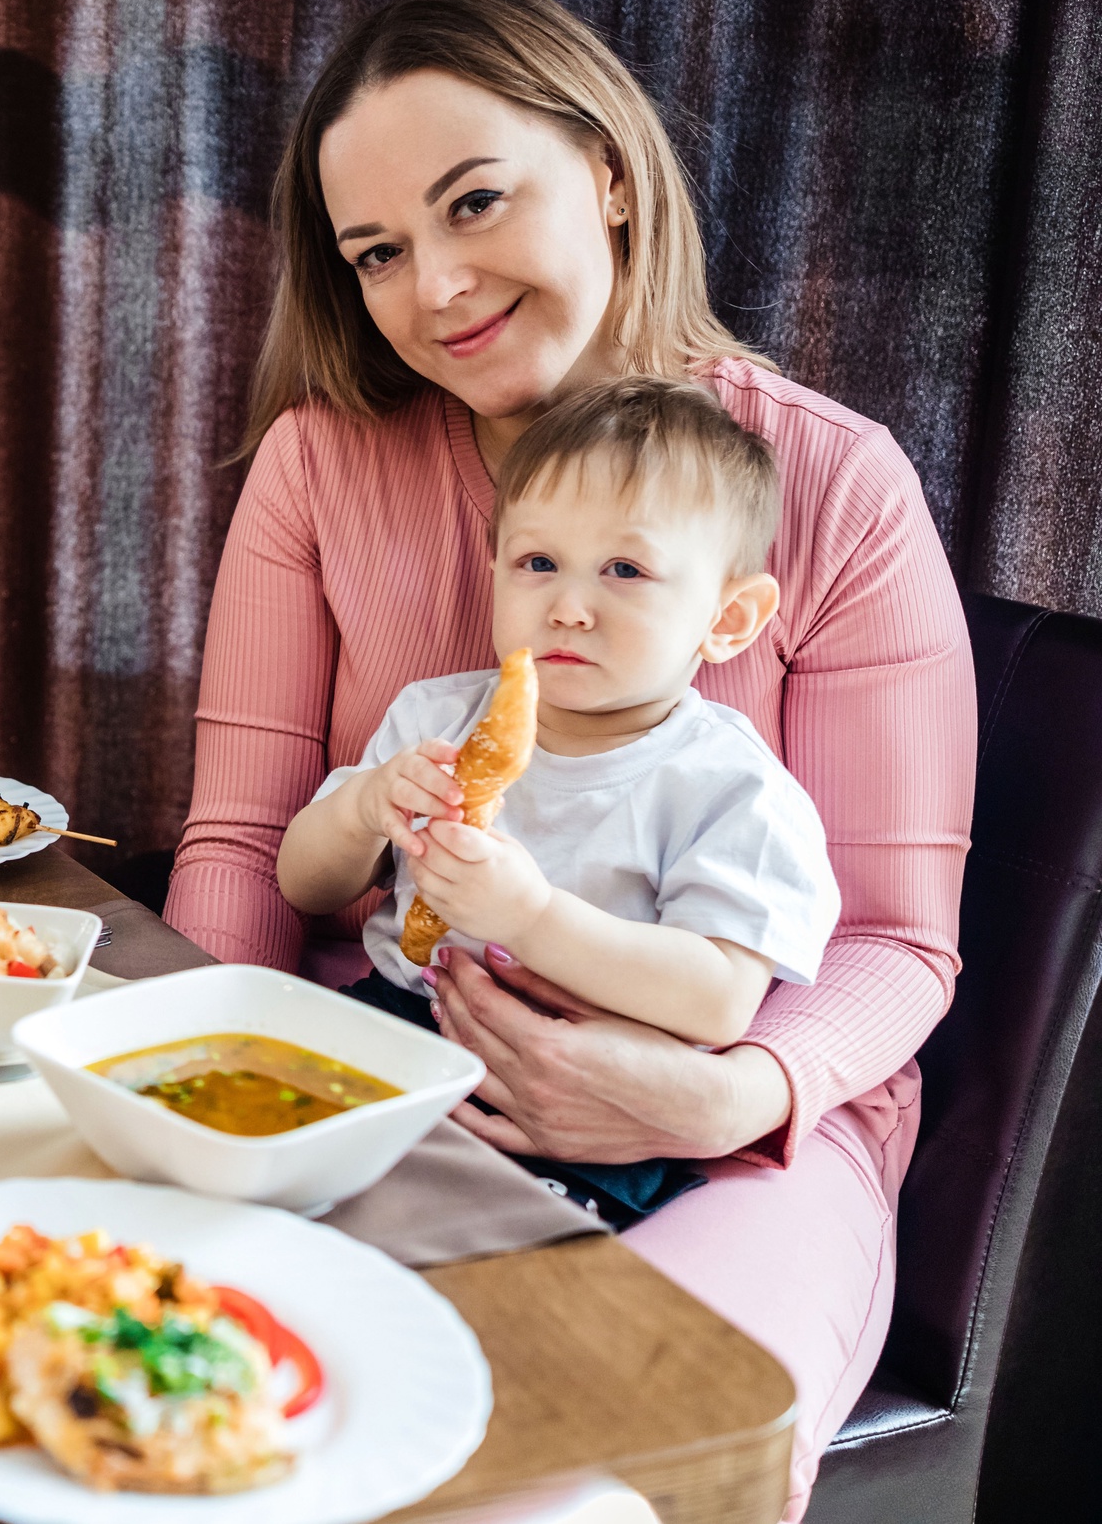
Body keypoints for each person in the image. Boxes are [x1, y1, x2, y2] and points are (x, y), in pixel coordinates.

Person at [164, 0, 972, 1519]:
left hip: (739, 1129)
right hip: (377, 1059)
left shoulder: (836, 482)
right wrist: (196, 1078)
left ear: (606, 171)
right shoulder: (319, 463)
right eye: (377, 252)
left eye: (475, 203)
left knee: (579, 1477)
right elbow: (245, 842)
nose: (436, 285)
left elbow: (895, 937)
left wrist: (724, 1096)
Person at [279, 378, 838, 1052]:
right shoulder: (435, 719)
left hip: (594, 1067)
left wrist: (532, 918)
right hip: (401, 1013)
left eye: (625, 570)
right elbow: (304, 886)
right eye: (538, 562)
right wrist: (365, 808)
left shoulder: (733, 788)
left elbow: (718, 1001)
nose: (568, 608)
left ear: (728, 618)